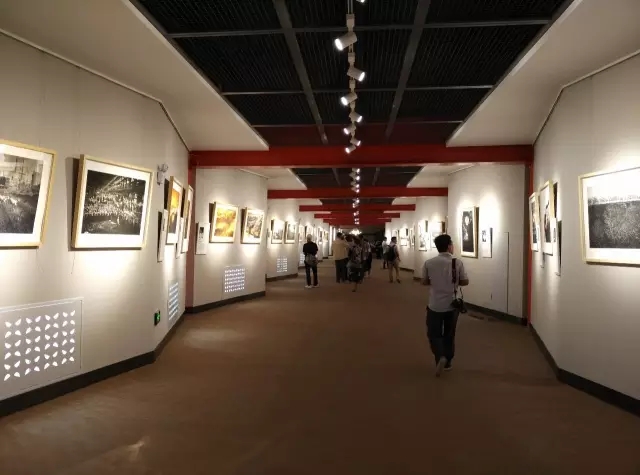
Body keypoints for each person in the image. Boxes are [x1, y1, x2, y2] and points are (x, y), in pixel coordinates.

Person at [422, 234, 469, 376]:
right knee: (449, 333)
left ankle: (440, 356)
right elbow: (465, 281)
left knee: (433, 333)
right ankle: (448, 361)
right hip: (452, 305)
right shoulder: (457, 263)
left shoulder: (429, 263)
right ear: (449, 246)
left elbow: (424, 281)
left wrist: (436, 282)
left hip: (435, 304)